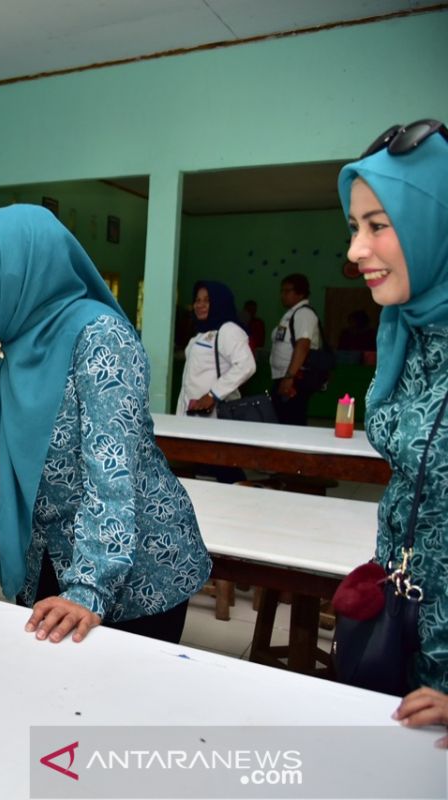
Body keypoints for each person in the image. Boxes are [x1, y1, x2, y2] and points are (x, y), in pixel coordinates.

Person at [0, 205, 211, 645]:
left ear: (3, 280)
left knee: (117, 706)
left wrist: (88, 588)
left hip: (134, 569)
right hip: (46, 552)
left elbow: (112, 474)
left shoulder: (99, 338)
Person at [338, 120, 448, 739]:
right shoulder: (409, 329)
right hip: (405, 644)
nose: (355, 251)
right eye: (355, 228)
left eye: (378, 225)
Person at [175, 280, 256, 417]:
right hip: (192, 411)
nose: (200, 305)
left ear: (220, 303)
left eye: (207, 301)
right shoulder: (201, 333)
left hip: (214, 414)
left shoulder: (228, 330)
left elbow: (246, 366)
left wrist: (213, 394)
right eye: (197, 300)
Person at [268, 272, 323, 425]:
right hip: (285, 376)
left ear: (300, 293)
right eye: (282, 291)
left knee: (291, 420)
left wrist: (289, 377)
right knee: (281, 418)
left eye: (287, 291)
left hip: (295, 377)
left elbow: (303, 345)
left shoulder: (304, 313)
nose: (282, 295)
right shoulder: (291, 314)